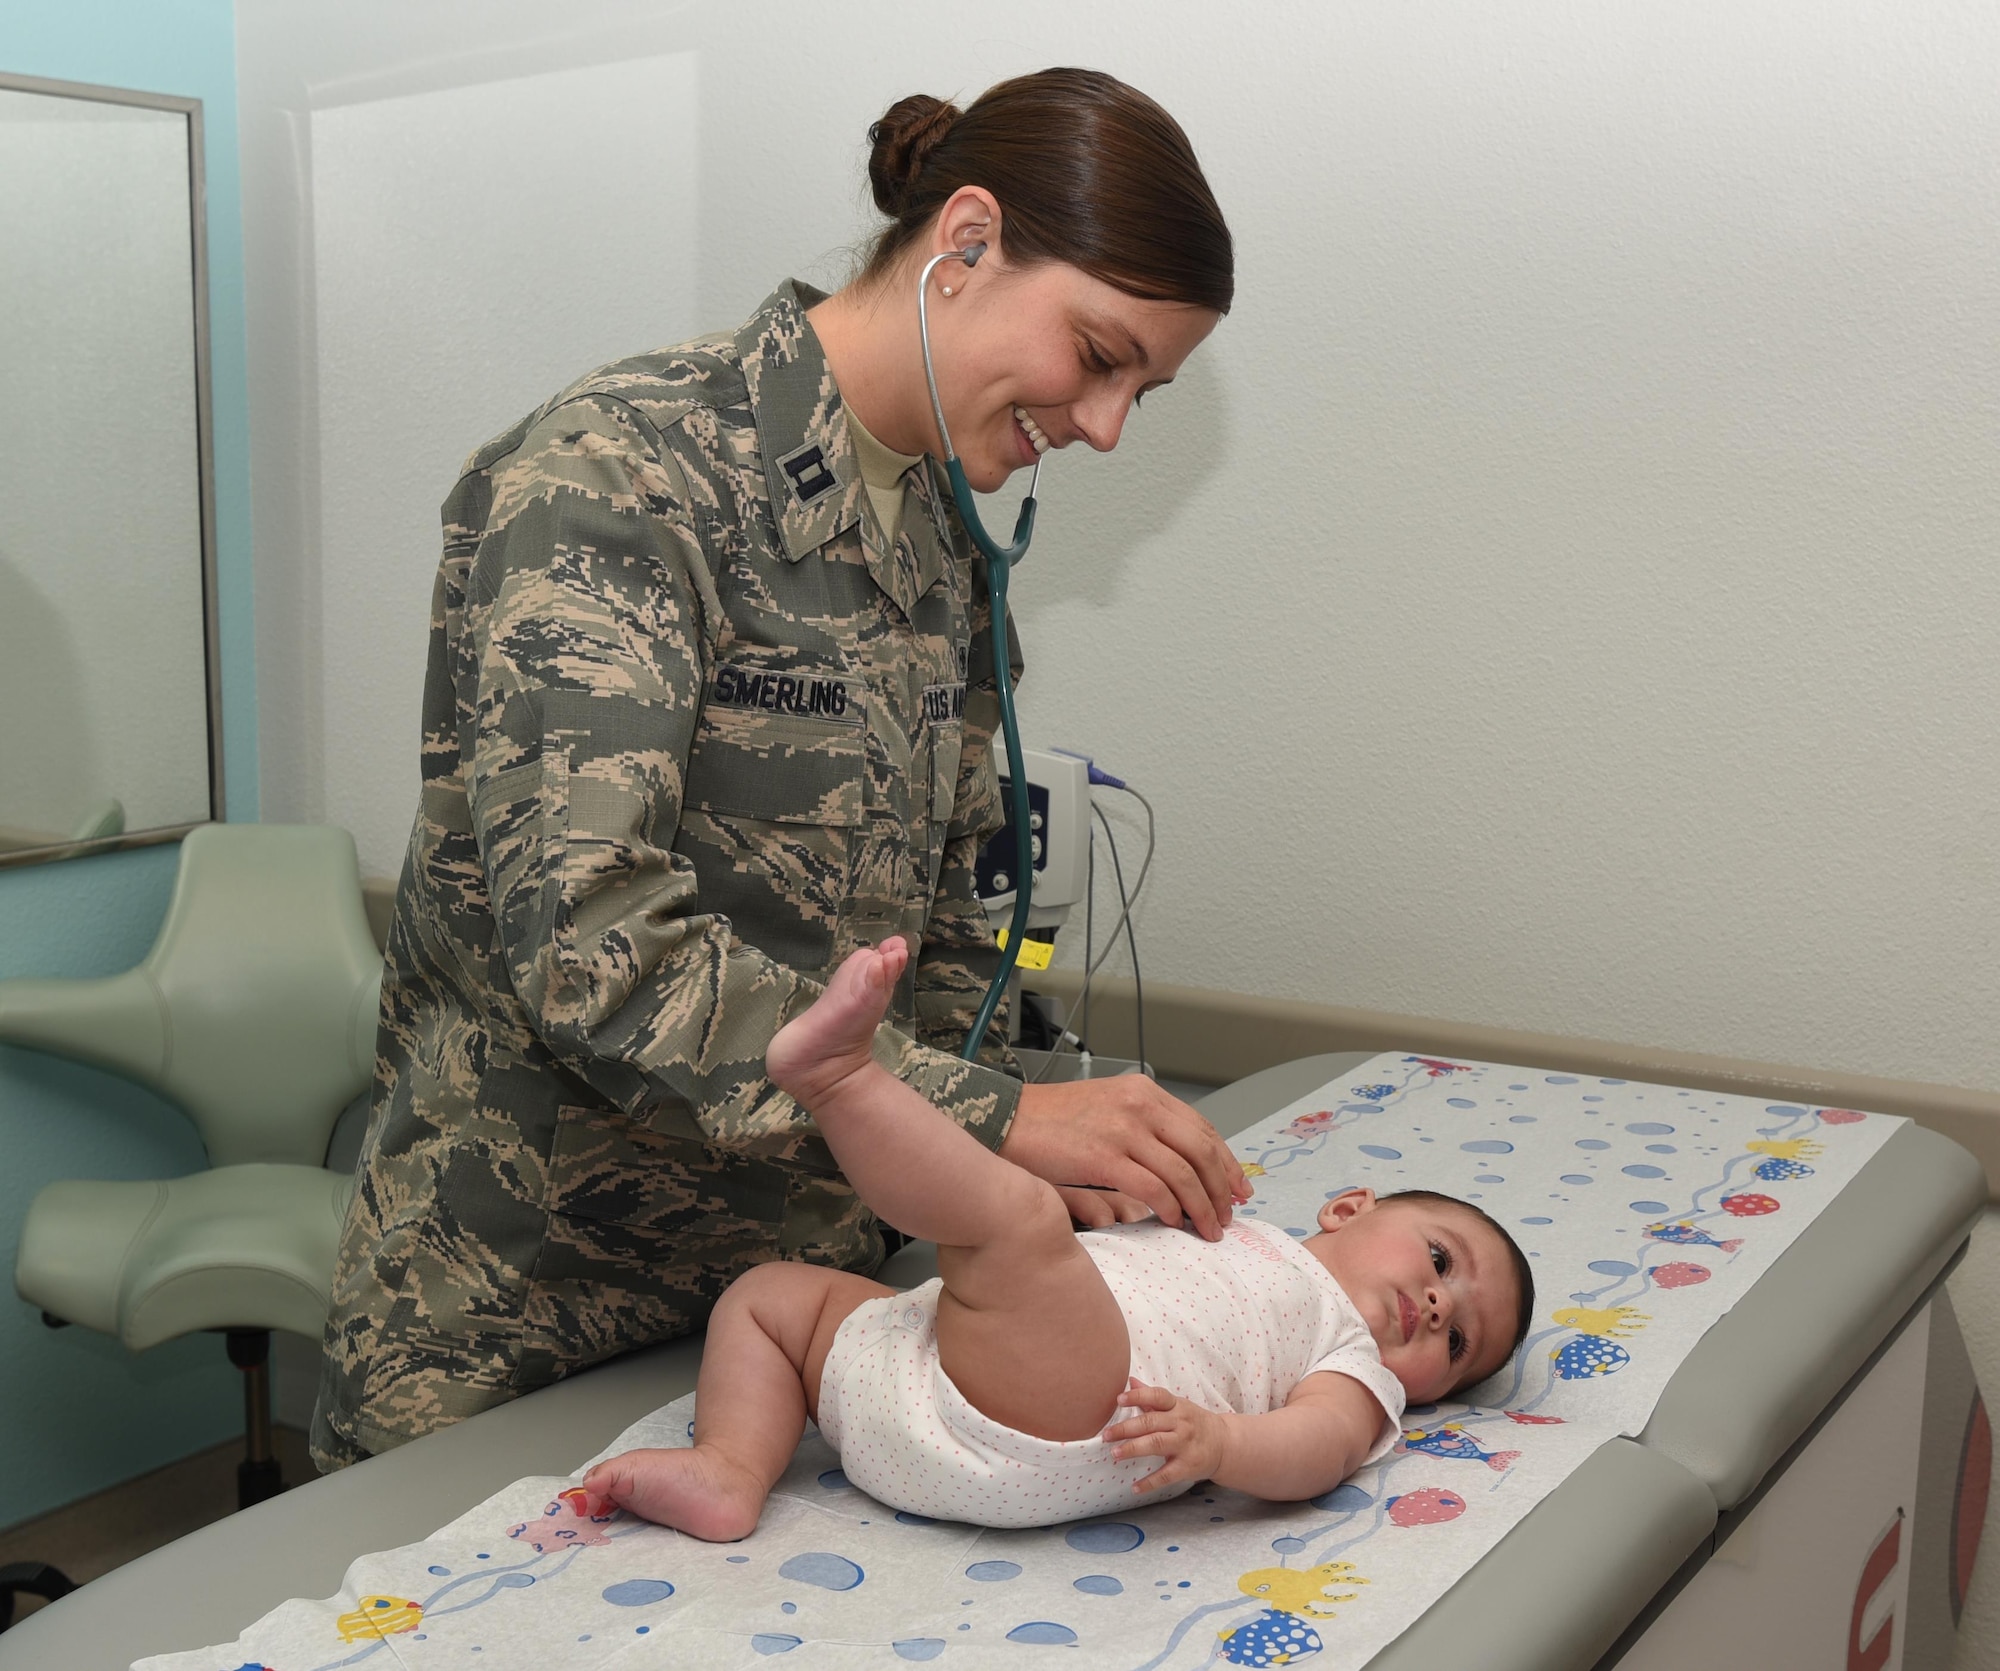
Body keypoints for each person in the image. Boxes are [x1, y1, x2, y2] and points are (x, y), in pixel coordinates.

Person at [311, 68, 1242, 1472]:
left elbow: (930, 943)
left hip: (812, 1322)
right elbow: (597, 951)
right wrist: (1006, 1117)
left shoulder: (936, 533)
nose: (1106, 426)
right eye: (1099, 356)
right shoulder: (620, 475)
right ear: (967, 240)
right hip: (524, 1314)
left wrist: (1046, 1182)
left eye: (1144, 393)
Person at [582, 940, 1535, 1534]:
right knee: (771, 1295)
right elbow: (1123, 1265)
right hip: (913, 1380)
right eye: (1442, 1259)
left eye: (1459, 1344)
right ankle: (733, 1468)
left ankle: (838, 1081)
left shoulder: (1350, 1356)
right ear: (1351, 1206)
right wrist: (1109, 1213)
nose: (1442, 1306)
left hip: (1073, 1420)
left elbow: (1319, 1445)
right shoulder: (1240, 1227)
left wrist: (1222, 1443)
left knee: (1014, 1221)